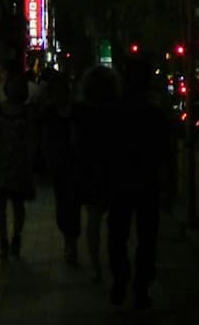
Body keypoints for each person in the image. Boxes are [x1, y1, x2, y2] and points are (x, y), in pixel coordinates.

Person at [106, 56, 171, 309]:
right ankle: (140, 287)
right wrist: (167, 186)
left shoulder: (114, 111)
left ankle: (121, 281)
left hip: (121, 182)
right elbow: (165, 153)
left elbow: (106, 150)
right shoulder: (154, 114)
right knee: (147, 237)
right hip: (147, 182)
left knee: (118, 235)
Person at [0, 71, 35, 260]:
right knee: (3, 202)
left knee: (16, 204)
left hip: (15, 163)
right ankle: (4, 240)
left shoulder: (25, 112)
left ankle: (15, 237)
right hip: (3, 162)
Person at [74, 64, 120, 281]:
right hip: (114, 168)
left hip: (91, 170)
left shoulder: (82, 113)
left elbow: (77, 143)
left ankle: (96, 267)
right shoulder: (117, 111)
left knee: (93, 219)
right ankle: (115, 263)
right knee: (117, 219)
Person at [40, 71, 81, 265]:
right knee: (63, 205)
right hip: (58, 163)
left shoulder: (77, 112)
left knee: (73, 204)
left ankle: (72, 244)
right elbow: (45, 138)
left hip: (75, 163)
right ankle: (68, 239)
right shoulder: (49, 112)